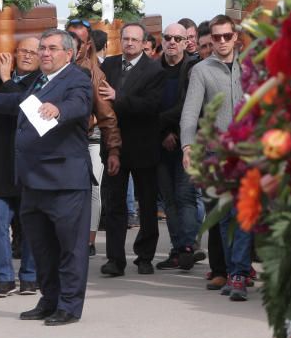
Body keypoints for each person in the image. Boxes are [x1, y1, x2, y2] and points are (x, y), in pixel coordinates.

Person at [0, 29, 94, 325]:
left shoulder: (77, 78)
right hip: (33, 180)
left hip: (64, 181)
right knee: (42, 247)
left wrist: (58, 109)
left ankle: (69, 306)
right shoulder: (40, 81)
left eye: (52, 48)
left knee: (69, 248)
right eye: (42, 48)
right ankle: (48, 300)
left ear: (68, 54)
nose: (45, 53)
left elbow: (80, 104)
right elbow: (20, 101)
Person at [181, 15, 250, 300]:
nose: (221, 42)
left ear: (236, 37)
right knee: (223, 214)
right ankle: (233, 270)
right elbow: (190, 111)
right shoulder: (201, 70)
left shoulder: (251, 66)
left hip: (249, 150)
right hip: (216, 151)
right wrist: (187, 147)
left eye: (226, 36)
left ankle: (239, 273)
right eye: (217, 37)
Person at [99, 23, 165, 276]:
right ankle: (115, 259)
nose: (129, 43)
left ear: (143, 42)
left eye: (134, 40)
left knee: (147, 205)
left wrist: (119, 98)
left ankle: (145, 256)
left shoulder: (154, 69)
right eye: (125, 38)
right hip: (114, 146)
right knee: (114, 203)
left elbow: (151, 106)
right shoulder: (109, 65)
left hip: (143, 146)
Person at [0, 39, 42, 296]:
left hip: (28, 165)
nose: (27, 56)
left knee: (29, 224)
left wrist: (6, 79)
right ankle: (4, 277)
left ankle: (29, 276)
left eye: (33, 52)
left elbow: (24, 106)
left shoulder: (43, 82)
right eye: (22, 51)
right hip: (0, 163)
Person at [65, 19, 122, 257]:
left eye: (81, 39)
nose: (76, 44)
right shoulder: (47, 66)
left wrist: (114, 150)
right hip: (58, 144)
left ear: (88, 44)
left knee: (93, 190)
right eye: (71, 37)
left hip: (89, 139)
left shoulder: (95, 73)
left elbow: (107, 115)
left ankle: (88, 240)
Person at [155, 23, 199, 271]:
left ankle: (188, 247)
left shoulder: (193, 69)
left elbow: (189, 105)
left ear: (185, 43)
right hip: (159, 142)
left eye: (177, 38)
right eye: (168, 37)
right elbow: (150, 104)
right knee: (169, 199)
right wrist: (163, 133)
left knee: (186, 196)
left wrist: (173, 132)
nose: (172, 42)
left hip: (186, 142)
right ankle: (176, 248)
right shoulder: (153, 69)